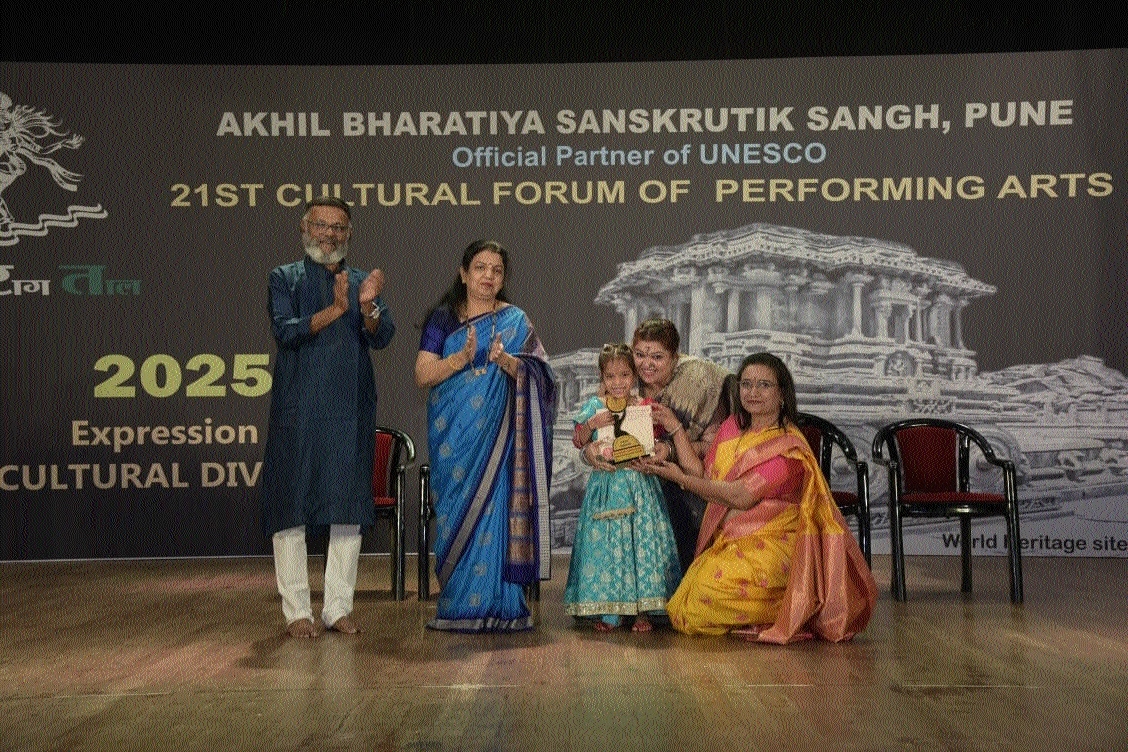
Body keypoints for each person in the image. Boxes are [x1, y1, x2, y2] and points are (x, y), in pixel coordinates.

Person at [639, 352, 876, 643]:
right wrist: (674, 426)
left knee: (693, 609)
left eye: (764, 385)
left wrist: (680, 479)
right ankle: (772, 610)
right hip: (730, 540)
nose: (753, 392)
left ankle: (798, 606)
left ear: (782, 394)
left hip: (775, 545)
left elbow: (740, 497)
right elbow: (701, 474)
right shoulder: (731, 428)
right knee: (682, 608)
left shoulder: (787, 447)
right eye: (746, 384)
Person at [260, 196, 395, 638]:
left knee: (347, 508)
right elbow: (286, 331)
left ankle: (338, 608)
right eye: (321, 225)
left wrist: (368, 306)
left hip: (349, 410)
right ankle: (296, 610)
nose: (329, 235)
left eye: (338, 227)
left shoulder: (361, 281)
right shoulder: (284, 277)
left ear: (349, 233)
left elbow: (382, 336)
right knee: (291, 508)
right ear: (305, 228)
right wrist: (336, 310)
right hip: (298, 411)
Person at [414, 239, 557, 632]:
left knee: (497, 508)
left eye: (497, 270)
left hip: (500, 438)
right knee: (457, 511)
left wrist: (507, 361)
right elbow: (422, 375)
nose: (488, 276)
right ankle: (458, 602)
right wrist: (461, 358)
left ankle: (504, 604)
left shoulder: (516, 320)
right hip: (454, 437)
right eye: (480, 268)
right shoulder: (443, 319)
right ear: (464, 274)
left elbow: (542, 377)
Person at [579, 319, 730, 573]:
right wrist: (588, 454)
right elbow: (593, 436)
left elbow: (712, 448)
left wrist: (668, 449)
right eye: (639, 355)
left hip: (686, 485)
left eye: (657, 357)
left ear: (674, 358)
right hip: (629, 484)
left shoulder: (698, 381)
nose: (646, 364)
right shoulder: (624, 378)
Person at [563, 344, 682, 633]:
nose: (618, 383)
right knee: (606, 546)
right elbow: (579, 441)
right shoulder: (595, 406)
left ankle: (642, 610)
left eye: (624, 375)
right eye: (610, 376)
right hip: (606, 485)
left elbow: (656, 441)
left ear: (634, 376)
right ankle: (607, 609)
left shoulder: (643, 406)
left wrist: (656, 449)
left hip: (639, 485)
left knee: (640, 542)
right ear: (602, 378)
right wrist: (592, 424)